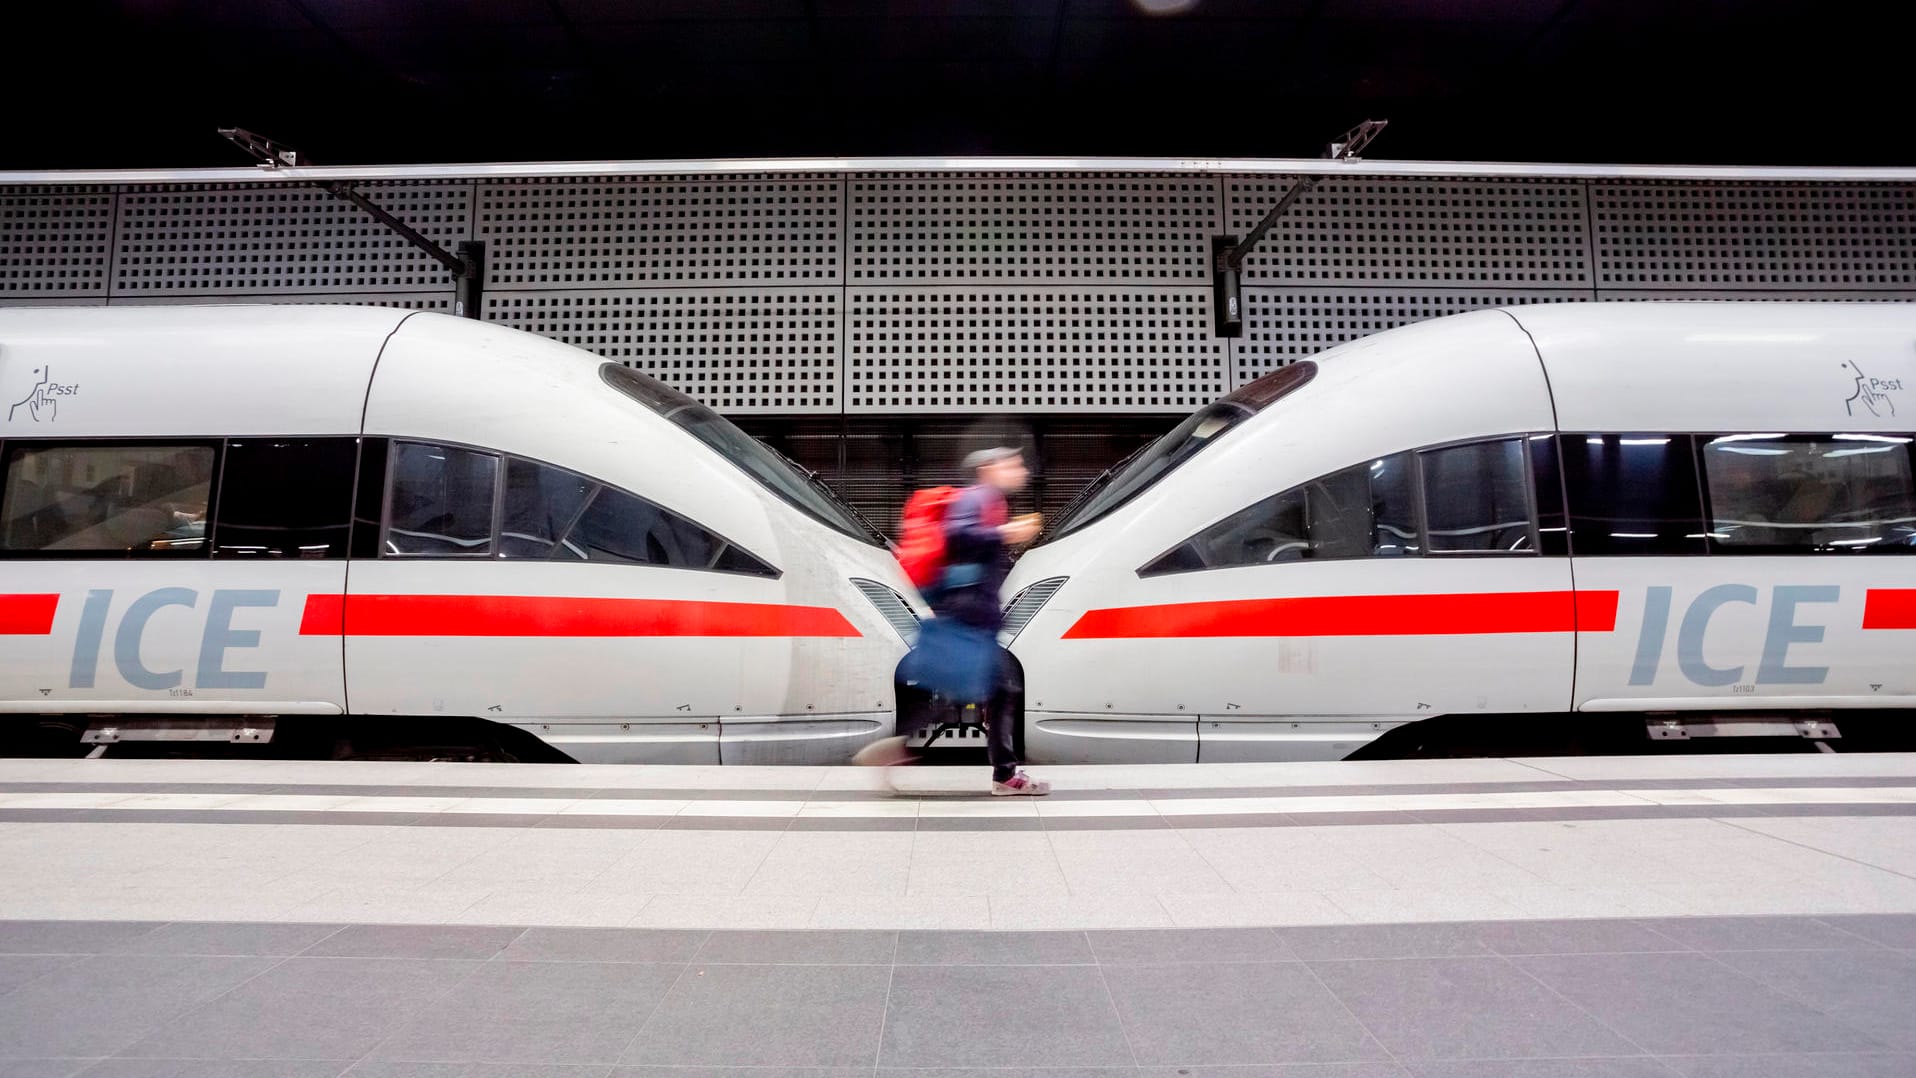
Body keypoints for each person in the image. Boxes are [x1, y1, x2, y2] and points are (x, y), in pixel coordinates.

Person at [936, 446, 1049, 795]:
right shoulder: (977, 497)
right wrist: (1006, 533)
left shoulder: (990, 501)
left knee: (989, 687)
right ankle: (1005, 776)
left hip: (972, 610)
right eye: (1012, 464)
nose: (1021, 470)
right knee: (1002, 687)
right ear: (988, 468)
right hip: (968, 611)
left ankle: (1005, 774)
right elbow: (956, 535)